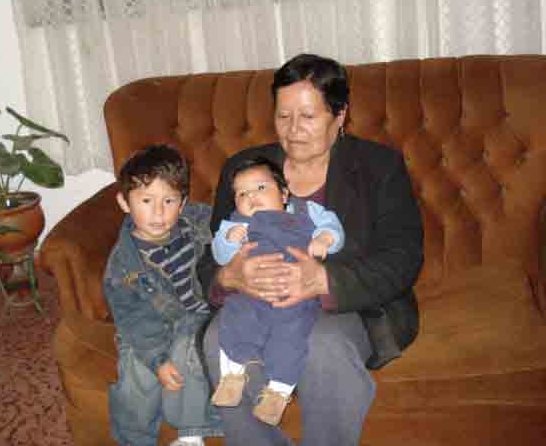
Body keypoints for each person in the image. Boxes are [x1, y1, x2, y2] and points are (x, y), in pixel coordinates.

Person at [200, 53, 424, 446]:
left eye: (308, 116)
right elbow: (211, 254)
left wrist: (323, 280)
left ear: (340, 115)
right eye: (283, 116)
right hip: (257, 302)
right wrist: (228, 276)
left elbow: (403, 257)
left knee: (321, 345)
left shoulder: (379, 167)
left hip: (349, 304)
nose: (293, 130)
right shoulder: (245, 170)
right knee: (217, 339)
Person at [209, 156, 345, 427]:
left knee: (291, 335)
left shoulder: (307, 211)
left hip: (296, 295)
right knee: (234, 316)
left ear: (284, 194)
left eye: (260, 188)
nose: (251, 197)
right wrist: (228, 241)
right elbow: (220, 256)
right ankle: (232, 375)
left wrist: (325, 239)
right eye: (242, 194)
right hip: (251, 293)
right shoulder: (235, 225)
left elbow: (333, 226)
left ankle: (278, 392)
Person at [103, 144, 223, 446]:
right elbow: (133, 318)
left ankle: (192, 434)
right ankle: (133, 439)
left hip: (197, 318)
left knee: (190, 350)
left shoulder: (199, 221)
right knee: (135, 374)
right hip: (148, 323)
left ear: (182, 204)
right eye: (146, 200)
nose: (158, 213)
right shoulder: (123, 264)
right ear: (124, 202)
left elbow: (231, 225)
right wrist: (157, 359)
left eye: (169, 200)